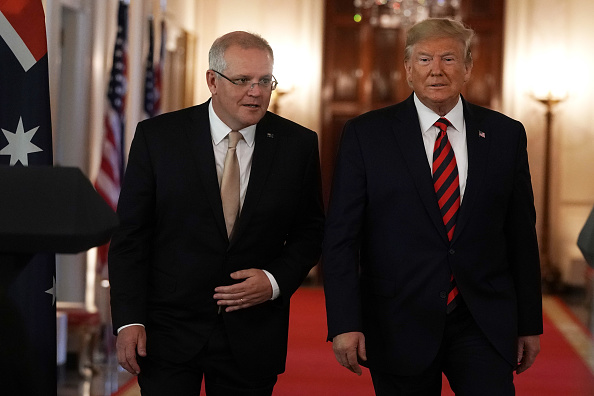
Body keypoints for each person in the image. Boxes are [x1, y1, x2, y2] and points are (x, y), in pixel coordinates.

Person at [323, 18, 542, 395]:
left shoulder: (506, 134)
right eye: (424, 59)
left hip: (482, 321)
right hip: (397, 322)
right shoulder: (366, 135)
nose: (436, 70)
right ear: (408, 69)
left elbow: (521, 235)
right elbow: (341, 237)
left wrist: (529, 323)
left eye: (448, 59)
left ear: (469, 68)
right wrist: (344, 321)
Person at [108, 31, 324, 395]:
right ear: (212, 80)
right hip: (169, 331)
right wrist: (128, 320)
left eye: (264, 81)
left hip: (253, 334)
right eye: (242, 80)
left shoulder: (298, 144)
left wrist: (273, 282)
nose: (255, 92)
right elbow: (131, 236)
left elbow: (311, 230)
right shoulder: (158, 138)